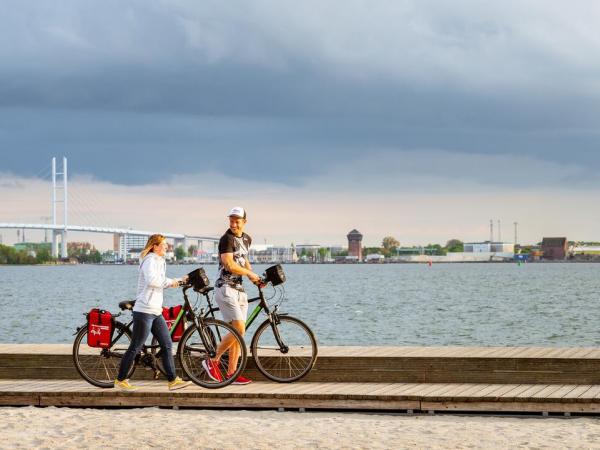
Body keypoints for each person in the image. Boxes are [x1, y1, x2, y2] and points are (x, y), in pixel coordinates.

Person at [114, 234, 192, 391]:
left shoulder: (159, 260)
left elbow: (161, 280)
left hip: (156, 310)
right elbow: (153, 281)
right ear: (155, 246)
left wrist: (179, 280)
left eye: (166, 244)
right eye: (163, 244)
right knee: (136, 346)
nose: (166, 247)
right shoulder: (149, 260)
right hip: (144, 310)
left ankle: (172, 380)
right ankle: (120, 380)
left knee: (167, 344)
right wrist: (173, 282)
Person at [202, 206, 262, 385]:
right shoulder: (226, 239)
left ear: (245, 221)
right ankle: (212, 360)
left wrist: (255, 279)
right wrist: (249, 274)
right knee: (239, 329)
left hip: (239, 289)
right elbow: (229, 264)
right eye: (231, 220)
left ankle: (232, 374)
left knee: (238, 334)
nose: (234, 224)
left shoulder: (246, 239)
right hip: (225, 288)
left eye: (237, 220)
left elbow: (244, 261)